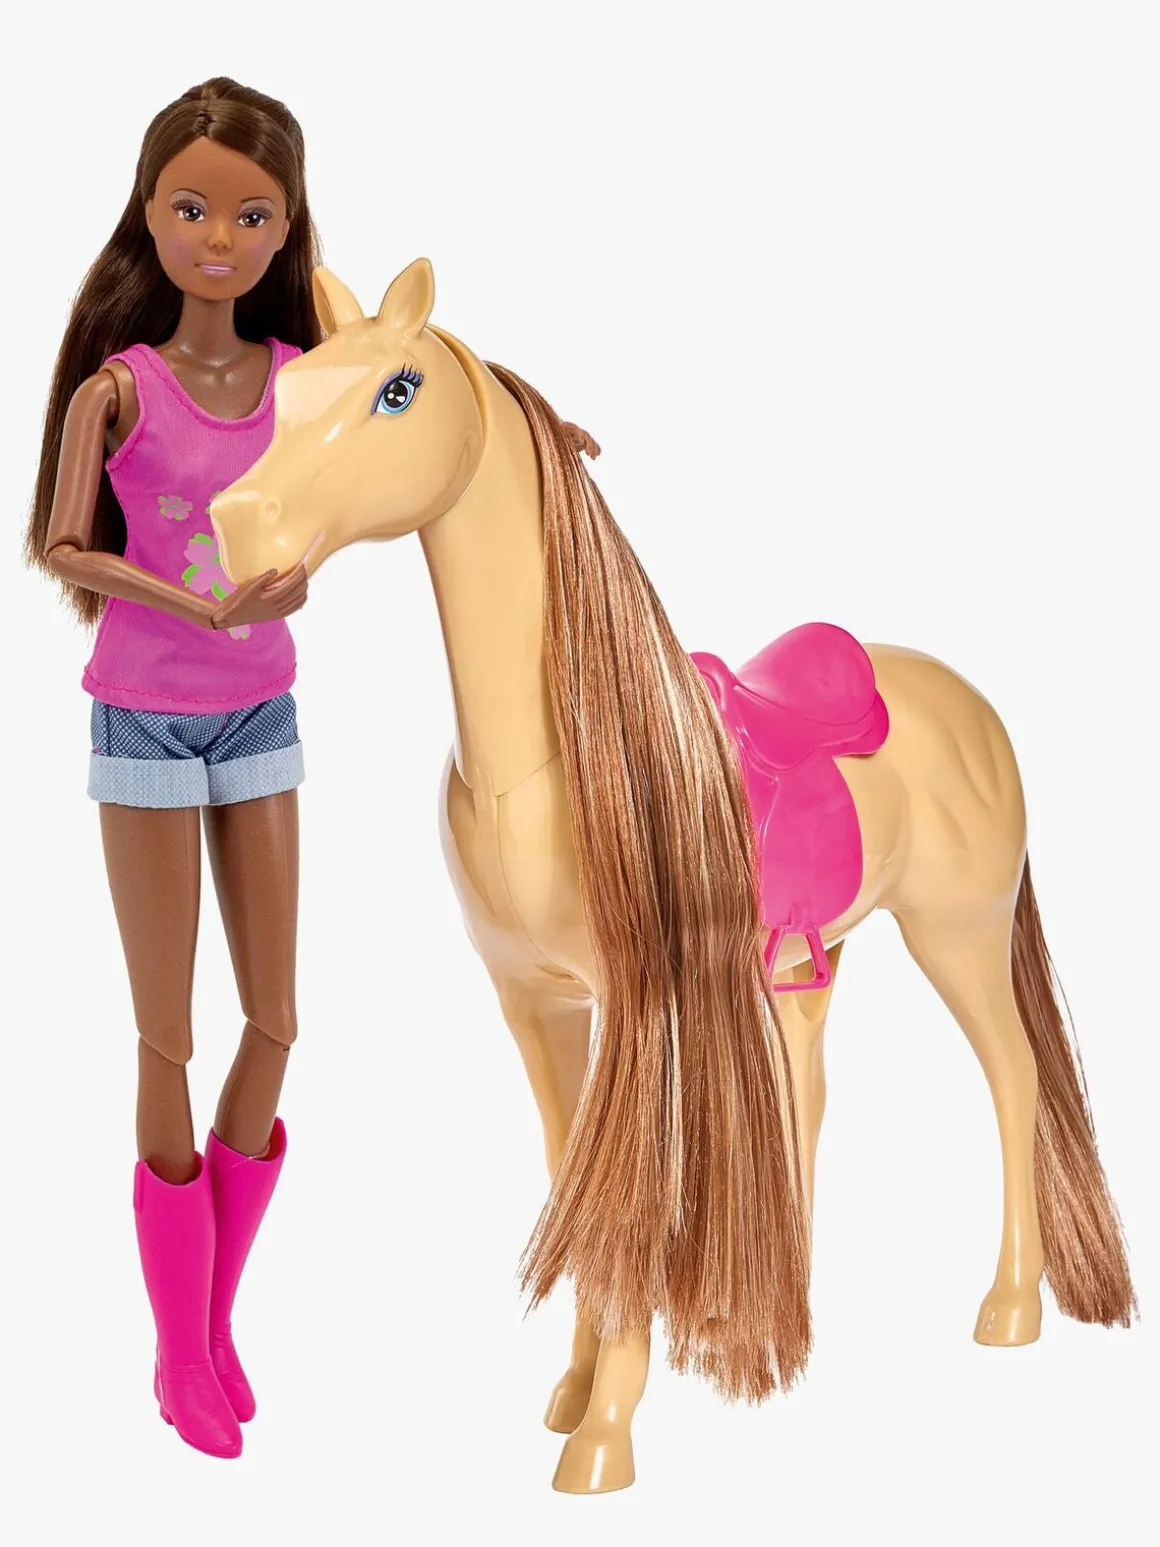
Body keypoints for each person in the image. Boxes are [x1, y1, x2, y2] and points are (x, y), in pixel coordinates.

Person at [24, 77, 321, 1459]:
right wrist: (188, 602)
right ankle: (175, 1347)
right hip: (143, 716)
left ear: (287, 230)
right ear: (149, 211)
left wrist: (538, 426)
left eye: (251, 216)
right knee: (169, 1034)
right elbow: (60, 544)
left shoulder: (302, 381)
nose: (219, 237)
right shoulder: (118, 388)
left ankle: (213, 1320)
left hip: (260, 715)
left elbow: (423, 394)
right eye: (193, 207)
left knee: (277, 1019)